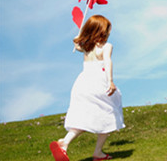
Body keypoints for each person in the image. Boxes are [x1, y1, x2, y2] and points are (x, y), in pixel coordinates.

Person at [50, 15, 125, 161]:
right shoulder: (106, 47)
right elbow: (107, 62)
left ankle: (64, 143)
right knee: (109, 116)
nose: (109, 33)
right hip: (99, 83)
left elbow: (77, 45)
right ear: (101, 31)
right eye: (107, 30)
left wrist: (77, 38)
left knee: (85, 117)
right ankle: (98, 152)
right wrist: (110, 81)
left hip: (83, 83)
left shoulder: (86, 47)